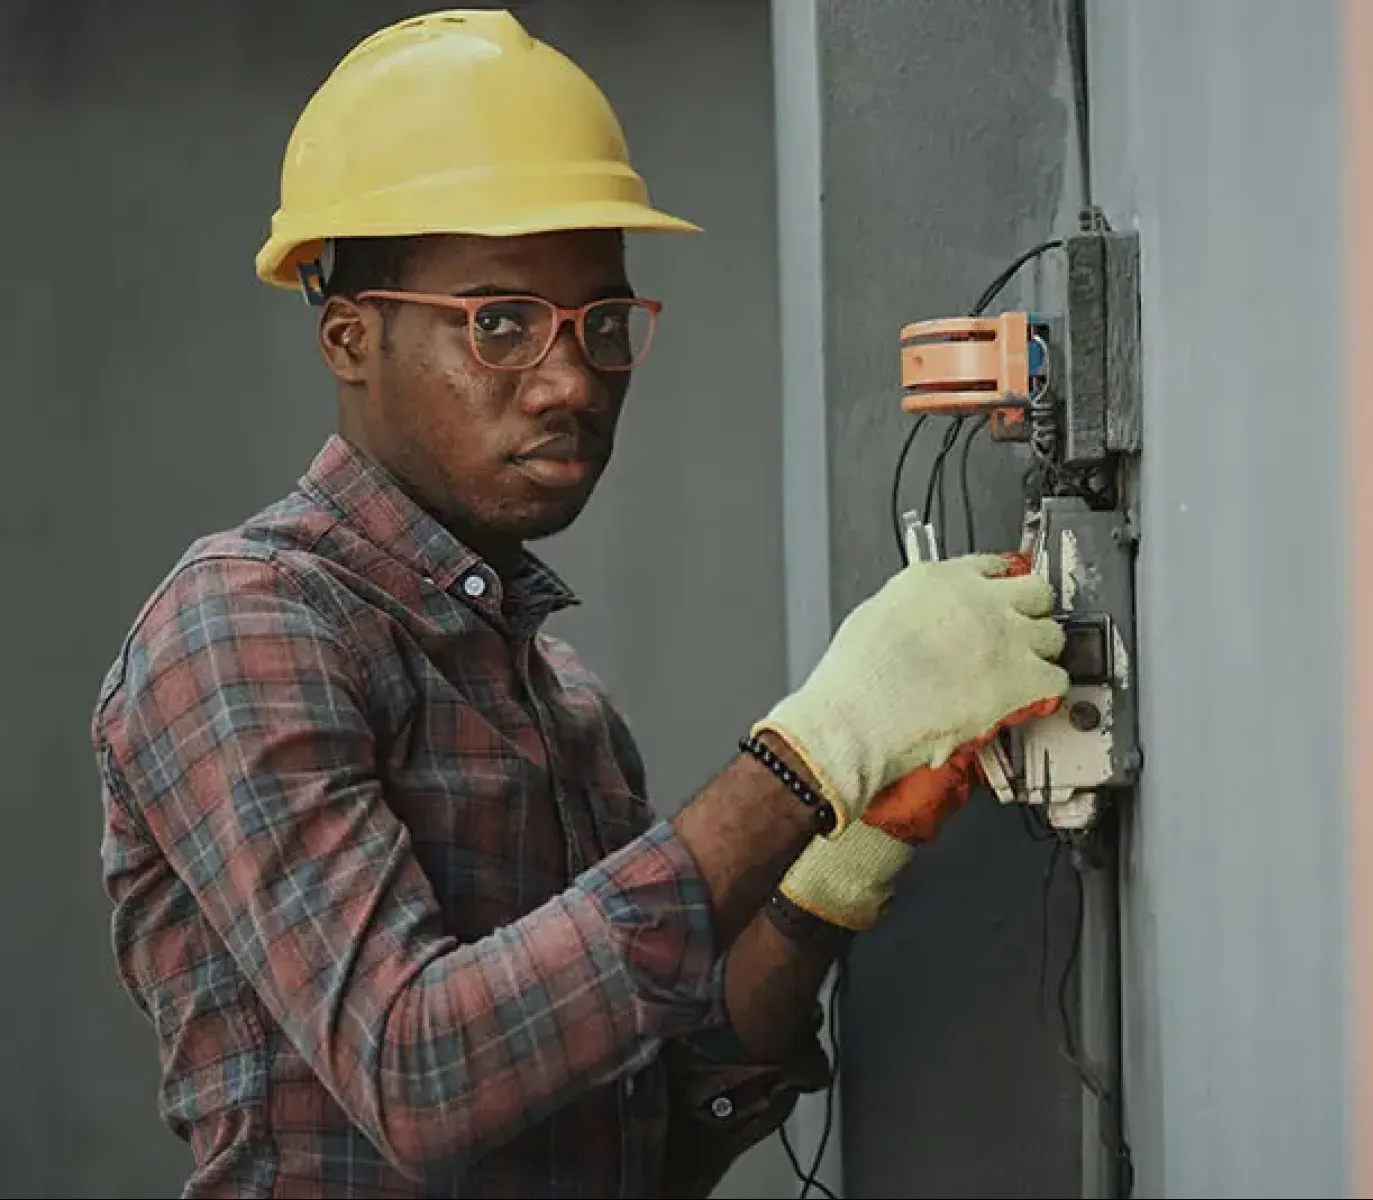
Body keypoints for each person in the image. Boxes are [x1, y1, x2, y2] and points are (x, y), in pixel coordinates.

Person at [89, 10, 1069, 1198]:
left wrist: (829, 878)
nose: (569, 380)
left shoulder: (568, 711)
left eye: (602, 323)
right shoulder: (244, 629)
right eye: (498, 323)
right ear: (351, 337)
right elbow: (423, 1076)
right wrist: (812, 754)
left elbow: (659, 1140)